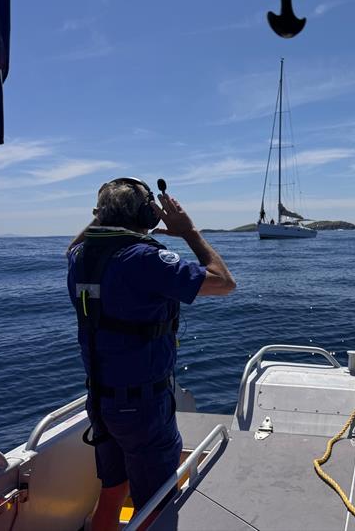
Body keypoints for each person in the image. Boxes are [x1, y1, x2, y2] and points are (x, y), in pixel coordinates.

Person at [66, 177, 236, 531]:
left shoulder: (80, 257)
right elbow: (223, 282)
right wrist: (188, 231)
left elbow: (75, 244)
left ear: (99, 216)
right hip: (143, 409)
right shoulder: (145, 259)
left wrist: (105, 214)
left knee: (112, 492)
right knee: (155, 507)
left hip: (101, 400)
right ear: (146, 214)